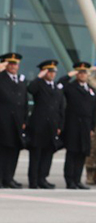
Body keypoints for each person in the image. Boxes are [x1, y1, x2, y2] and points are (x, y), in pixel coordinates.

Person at [25, 60, 66, 189]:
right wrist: (39, 77)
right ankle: (34, 180)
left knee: (47, 154)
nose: (52, 74)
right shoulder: (39, 84)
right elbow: (30, 89)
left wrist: (60, 125)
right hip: (39, 125)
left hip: (52, 126)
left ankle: (43, 178)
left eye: (54, 71)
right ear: (44, 72)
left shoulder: (56, 87)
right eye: (49, 71)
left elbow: (61, 107)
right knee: (36, 154)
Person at [61, 61, 96, 190]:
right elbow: (60, 85)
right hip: (73, 125)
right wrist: (69, 75)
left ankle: (77, 180)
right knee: (72, 153)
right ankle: (70, 180)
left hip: (86, 127)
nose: (82, 75)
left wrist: (93, 127)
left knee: (82, 154)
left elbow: (94, 111)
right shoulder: (70, 87)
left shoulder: (92, 90)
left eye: (85, 72)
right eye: (80, 72)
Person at [0, 52, 27, 188]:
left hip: (16, 122)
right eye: (10, 63)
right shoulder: (1, 77)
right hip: (2, 122)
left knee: (13, 151)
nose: (13, 66)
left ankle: (9, 178)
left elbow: (24, 102)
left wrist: (24, 121)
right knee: (2, 151)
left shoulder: (21, 80)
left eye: (15, 64)